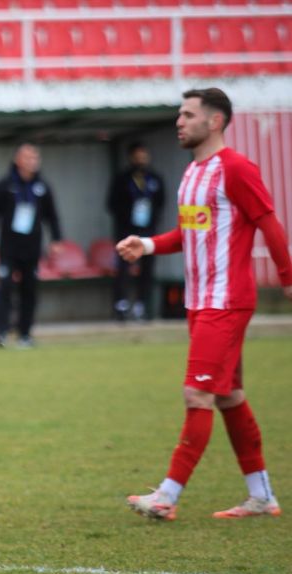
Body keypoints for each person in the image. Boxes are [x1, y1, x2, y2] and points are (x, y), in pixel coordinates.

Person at [119, 89, 292, 521]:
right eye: (179, 114)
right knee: (229, 395)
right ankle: (262, 495)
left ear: (214, 122)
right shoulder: (194, 173)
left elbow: (268, 222)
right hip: (200, 304)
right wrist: (147, 244)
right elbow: (187, 234)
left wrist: (288, 278)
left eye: (188, 114)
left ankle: (166, 497)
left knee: (197, 393)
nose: (179, 121)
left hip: (226, 302)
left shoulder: (235, 169)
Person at [0, 143, 63, 348]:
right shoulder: (5, 185)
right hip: (8, 248)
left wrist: (56, 239)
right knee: (5, 288)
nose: (32, 162)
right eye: (28, 158)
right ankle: (1, 333)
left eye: (35, 158)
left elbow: (51, 216)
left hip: (32, 248)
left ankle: (25, 334)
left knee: (29, 291)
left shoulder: (42, 187)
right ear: (18, 160)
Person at [107, 142, 166, 321]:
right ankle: (121, 305)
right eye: (138, 155)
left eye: (144, 155)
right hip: (126, 231)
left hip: (148, 232)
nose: (141, 159)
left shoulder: (155, 178)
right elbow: (111, 204)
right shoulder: (122, 179)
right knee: (123, 268)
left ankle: (142, 305)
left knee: (147, 269)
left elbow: (161, 202)